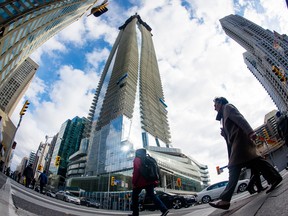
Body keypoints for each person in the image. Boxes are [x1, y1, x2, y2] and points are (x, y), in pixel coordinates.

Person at [209, 97, 282, 210]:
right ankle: (274, 178)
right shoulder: (223, 116)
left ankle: (225, 200)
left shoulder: (228, 107)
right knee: (256, 162)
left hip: (241, 143)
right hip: (238, 144)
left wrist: (251, 132)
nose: (214, 108)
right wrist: (225, 136)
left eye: (215, 105)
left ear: (220, 102)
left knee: (234, 167)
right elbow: (230, 137)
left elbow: (240, 119)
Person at [129, 148, 169, 216]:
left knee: (134, 197)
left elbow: (136, 172)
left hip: (140, 182)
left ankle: (135, 214)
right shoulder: (148, 159)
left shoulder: (137, 159)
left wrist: (134, 182)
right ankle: (164, 209)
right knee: (153, 195)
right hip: (149, 181)